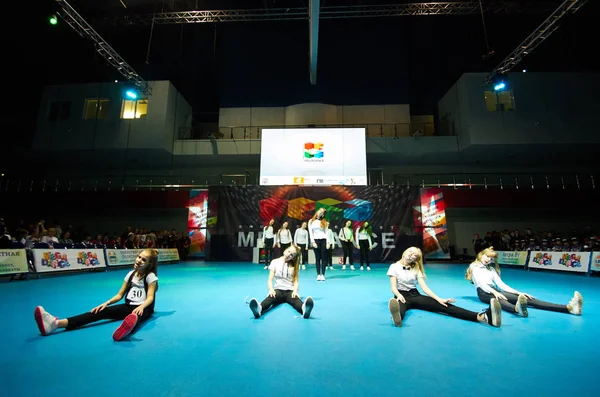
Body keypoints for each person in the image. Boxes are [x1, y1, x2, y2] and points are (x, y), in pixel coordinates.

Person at [33, 248, 160, 341]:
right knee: (98, 313)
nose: (139, 260)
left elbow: (150, 298)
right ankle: (55, 324)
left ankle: (126, 329)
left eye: (144, 260)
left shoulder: (150, 276)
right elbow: (119, 295)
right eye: (139, 257)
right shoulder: (130, 274)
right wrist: (106, 303)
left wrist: (141, 307)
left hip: (144, 308)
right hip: (128, 306)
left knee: (136, 317)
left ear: (149, 264)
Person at [388, 247, 501, 327]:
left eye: (415, 255)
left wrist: (439, 299)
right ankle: (397, 318)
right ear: (405, 251)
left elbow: (424, 288)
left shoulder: (416, 268)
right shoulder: (394, 267)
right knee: (399, 310)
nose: (411, 255)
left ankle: (482, 317)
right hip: (400, 295)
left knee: (444, 306)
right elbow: (393, 287)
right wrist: (398, 295)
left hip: (415, 295)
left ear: (415, 259)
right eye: (410, 251)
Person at [466, 247, 583, 317]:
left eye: (491, 259)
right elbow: (481, 283)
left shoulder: (491, 269)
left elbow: (501, 285)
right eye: (487, 256)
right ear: (481, 255)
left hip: (494, 290)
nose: (488, 260)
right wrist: (495, 292)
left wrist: (518, 293)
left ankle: (568, 308)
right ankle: (517, 310)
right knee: (499, 299)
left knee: (528, 299)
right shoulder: (474, 267)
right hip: (484, 293)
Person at [249, 245, 314, 319]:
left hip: (290, 291)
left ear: (293, 257)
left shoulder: (294, 266)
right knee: (270, 298)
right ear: (285, 250)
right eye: (289, 251)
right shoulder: (274, 262)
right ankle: (259, 309)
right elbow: (270, 279)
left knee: (296, 301)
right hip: (278, 290)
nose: (289, 255)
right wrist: (271, 290)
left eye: (292, 255)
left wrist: (295, 291)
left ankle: (304, 309)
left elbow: (296, 282)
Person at [308, 207, 332, 281]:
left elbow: (326, 232)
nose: (320, 213)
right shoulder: (311, 221)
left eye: (322, 212)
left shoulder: (324, 222)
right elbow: (310, 232)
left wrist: (328, 242)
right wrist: (313, 242)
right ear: (317, 211)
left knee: (324, 258)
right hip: (316, 241)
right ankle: (318, 274)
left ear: (323, 214)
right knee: (317, 258)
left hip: (324, 240)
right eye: (320, 211)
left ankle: (323, 274)